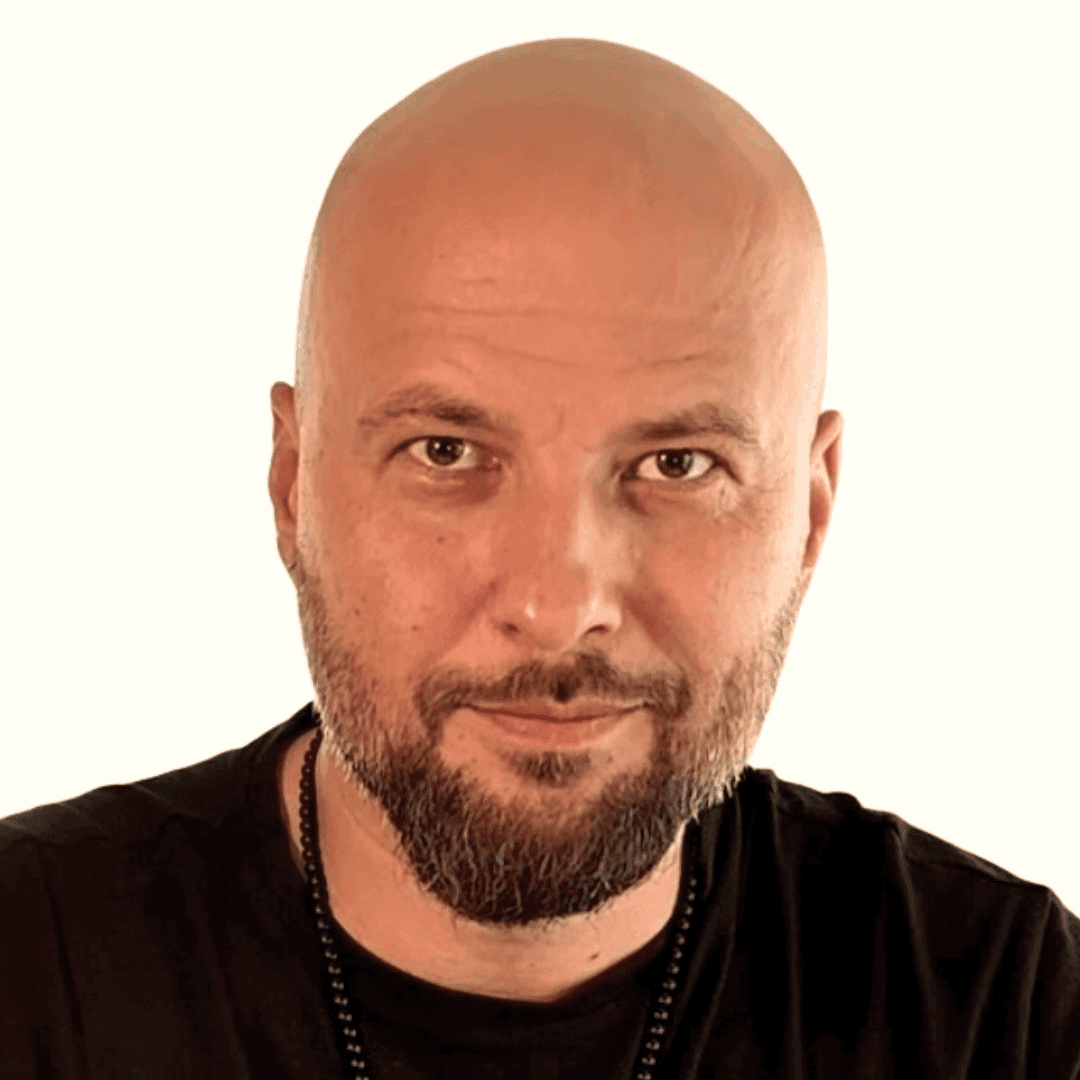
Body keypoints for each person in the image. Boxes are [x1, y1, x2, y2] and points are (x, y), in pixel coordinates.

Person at [1, 35, 1077, 1080]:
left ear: (810, 507)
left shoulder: (999, 1011)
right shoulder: (26, 973)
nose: (558, 606)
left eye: (676, 464)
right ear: (293, 484)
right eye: (447, 452)